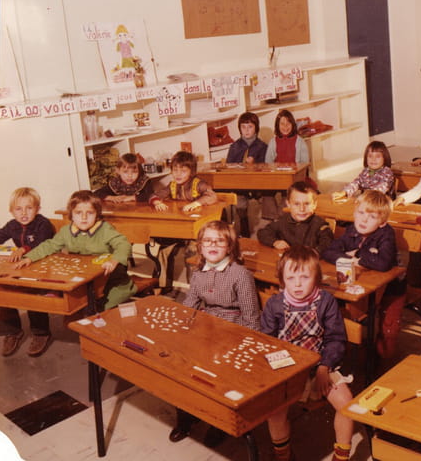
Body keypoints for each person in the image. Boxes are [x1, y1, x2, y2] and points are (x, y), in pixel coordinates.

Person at [169, 220, 260, 446]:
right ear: (200, 246)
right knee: (182, 363)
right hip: (206, 327)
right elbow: (190, 304)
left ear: (229, 247)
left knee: (219, 374)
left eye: (219, 241)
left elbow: (251, 317)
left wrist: (245, 348)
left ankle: (219, 423)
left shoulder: (240, 275)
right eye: (207, 241)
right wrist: (178, 329)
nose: (213, 245)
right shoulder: (198, 273)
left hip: (233, 329)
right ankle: (186, 416)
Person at [261, 246, 353, 461]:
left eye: (305, 277)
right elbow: (267, 341)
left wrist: (324, 368)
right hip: (287, 367)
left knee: (347, 404)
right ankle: (283, 455)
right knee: (274, 411)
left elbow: (336, 339)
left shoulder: (326, 301)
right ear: (282, 280)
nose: (297, 284)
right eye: (291, 278)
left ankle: (341, 456)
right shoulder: (274, 304)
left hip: (321, 363)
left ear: (317, 278)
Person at [15, 190, 136, 309]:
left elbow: (123, 244)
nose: (84, 217)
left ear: (97, 214)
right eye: (78, 213)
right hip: (83, 278)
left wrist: (115, 260)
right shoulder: (66, 231)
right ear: (71, 214)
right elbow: (49, 245)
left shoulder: (105, 229)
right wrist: (29, 257)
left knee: (102, 306)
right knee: (75, 304)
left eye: (90, 213)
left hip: (109, 278)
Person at [321, 190, 402, 357]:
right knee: (341, 314)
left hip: (391, 289)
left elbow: (383, 263)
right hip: (362, 285)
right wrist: (351, 259)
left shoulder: (386, 233)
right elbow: (328, 252)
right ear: (354, 212)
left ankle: (383, 362)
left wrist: (357, 254)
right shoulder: (352, 230)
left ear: (382, 222)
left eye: (372, 217)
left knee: (389, 329)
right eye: (361, 213)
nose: (364, 220)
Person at [0, 187, 56, 357]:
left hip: (43, 265)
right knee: (2, 289)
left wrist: (23, 249)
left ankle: (41, 333)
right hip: (22, 266)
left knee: (33, 294)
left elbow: (42, 242)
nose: (24, 213)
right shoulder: (12, 225)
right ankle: (12, 331)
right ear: (11, 211)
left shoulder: (43, 224)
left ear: (37, 209)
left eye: (29, 208)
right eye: (18, 209)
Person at [257, 181, 333, 253]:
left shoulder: (320, 225)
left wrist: (312, 254)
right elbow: (262, 233)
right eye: (296, 204)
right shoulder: (283, 221)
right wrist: (275, 242)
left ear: (314, 205)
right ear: (288, 204)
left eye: (307, 204)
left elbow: (327, 244)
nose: (302, 209)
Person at [225, 112, 268, 237]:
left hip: (258, 183)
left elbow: (267, 165)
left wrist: (254, 164)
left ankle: (265, 224)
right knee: (240, 202)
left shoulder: (262, 146)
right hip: (240, 183)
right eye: (243, 127)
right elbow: (229, 166)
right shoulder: (234, 146)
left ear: (256, 128)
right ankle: (244, 228)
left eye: (250, 127)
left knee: (265, 200)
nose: (246, 130)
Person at [262, 110, 310, 219]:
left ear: (293, 125)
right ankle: (271, 217)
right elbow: (268, 162)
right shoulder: (273, 141)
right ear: (277, 125)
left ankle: (282, 216)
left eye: (288, 123)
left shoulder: (300, 141)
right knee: (266, 192)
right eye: (282, 124)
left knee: (287, 194)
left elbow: (304, 164)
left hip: (294, 177)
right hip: (277, 176)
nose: (285, 127)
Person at [150, 151, 217, 212]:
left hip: (199, 215)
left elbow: (212, 196)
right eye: (175, 170)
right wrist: (157, 203)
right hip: (182, 214)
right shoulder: (172, 185)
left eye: (183, 171)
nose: (178, 174)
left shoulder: (199, 184)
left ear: (192, 172)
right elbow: (154, 195)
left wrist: (196, 203)